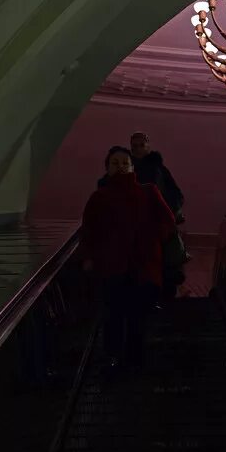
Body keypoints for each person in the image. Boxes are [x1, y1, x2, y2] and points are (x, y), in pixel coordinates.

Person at [81, 146, 176, 371]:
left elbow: (168, 221)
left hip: (142, 265)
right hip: (112, 265)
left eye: (125, 162)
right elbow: (89, 229)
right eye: (115, 163)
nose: (121, 166)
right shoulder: (99, 197)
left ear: (133, 167)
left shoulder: (149, 191)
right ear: (107, 168)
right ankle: (115, 357)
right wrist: (88, 257)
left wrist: (153, 238)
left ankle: (132, 359)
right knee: (114, 314)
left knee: (137, 316)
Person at [129, 131, 187, 301]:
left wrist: (167, 210)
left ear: (148, 145)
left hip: (158, 225)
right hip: (139, 226)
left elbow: (176, 194)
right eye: (135, 146)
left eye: (141, 145)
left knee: (163, 264)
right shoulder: (130, 168)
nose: (138, 149)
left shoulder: (158, 168)